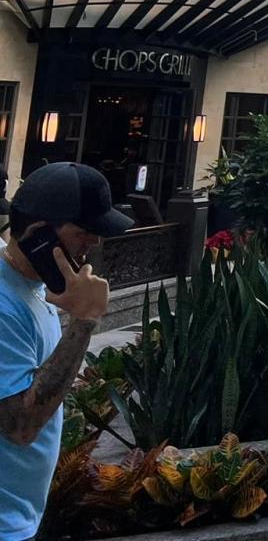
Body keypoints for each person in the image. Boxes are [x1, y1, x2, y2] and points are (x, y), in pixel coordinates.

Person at [1, 163, 130, 541]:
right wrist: (84, 322)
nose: (95, 242)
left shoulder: (30, 285)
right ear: (38, 235)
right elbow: (20, 426)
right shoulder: (4, 305)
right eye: (84, 232)